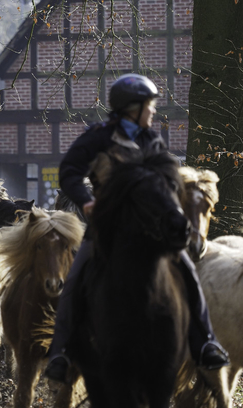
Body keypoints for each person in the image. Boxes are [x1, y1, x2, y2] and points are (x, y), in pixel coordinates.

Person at [44, 73, 230, 384]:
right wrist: (86, 201)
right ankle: (60, 352)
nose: (154, 111)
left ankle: (205, 343)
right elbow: (69, 172)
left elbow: (167, 177)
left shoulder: (150, 140)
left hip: (151, 230)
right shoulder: (97, 137)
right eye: (150, 105)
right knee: (75, 280)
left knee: (186, 271)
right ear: (132, 107)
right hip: (108, 228)